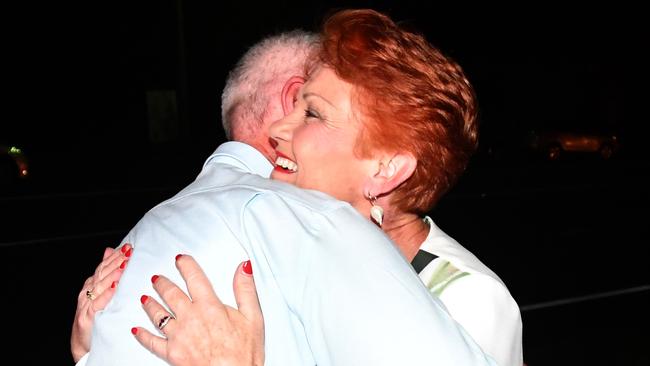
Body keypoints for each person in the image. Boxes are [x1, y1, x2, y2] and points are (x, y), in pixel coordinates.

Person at [73, 28, 495, 366]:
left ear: (385, 169)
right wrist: (95, 350)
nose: (279, 133)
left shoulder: (468, 293)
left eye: (311, 112)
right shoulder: (285, 232)